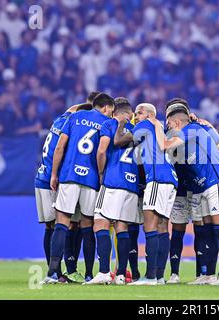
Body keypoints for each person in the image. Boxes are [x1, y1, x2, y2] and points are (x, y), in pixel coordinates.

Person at [150, 108, 219, 285]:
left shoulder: (191, 130)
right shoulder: (193, 132)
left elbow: (164, 145)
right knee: (207, 231)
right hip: (202, 186)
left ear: (176, 123)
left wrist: (155, 125)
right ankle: (209, 275)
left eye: (168, 124)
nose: (167, 127)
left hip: (216, 183)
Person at [40, 93, 114, 284]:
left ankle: (52, 274)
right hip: (90, 180)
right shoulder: (106, 122)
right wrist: (100, 174)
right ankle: (89, 274)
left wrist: (54, 174)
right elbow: (102, 152)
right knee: (88, 226)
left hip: (69, 176)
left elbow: (59, 147)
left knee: (62, 223)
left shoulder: (74, 117)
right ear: (106, 108)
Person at [35, 95, 95, 283]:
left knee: (54, 225)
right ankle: (62, 271)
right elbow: (62, 151)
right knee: (65, 223)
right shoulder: (73, 126)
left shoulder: (61, 120)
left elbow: (73, 109)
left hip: (43, 176)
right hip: (56, 178)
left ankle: (57, 271)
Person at [120, 103, 178, 286]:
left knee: (150, 226)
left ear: (150, 115)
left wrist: (121, 123)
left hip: (157, 179)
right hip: (171, 179)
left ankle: (150, 276)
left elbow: (121, 140)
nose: (135, 116)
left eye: (139, 113)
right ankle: (159, 276)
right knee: (162, 226)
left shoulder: (146, 125)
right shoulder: (157, 129)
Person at [84, 97, 139, 285]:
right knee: (122, 227)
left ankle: (104, 272)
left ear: (114, 111)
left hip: (113, 180)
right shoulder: (136, 131)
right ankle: (121, 274)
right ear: (130, 114)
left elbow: (101, 151)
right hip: (131, 185)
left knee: (100, 223)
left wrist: (100, 173)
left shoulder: (110, 123)